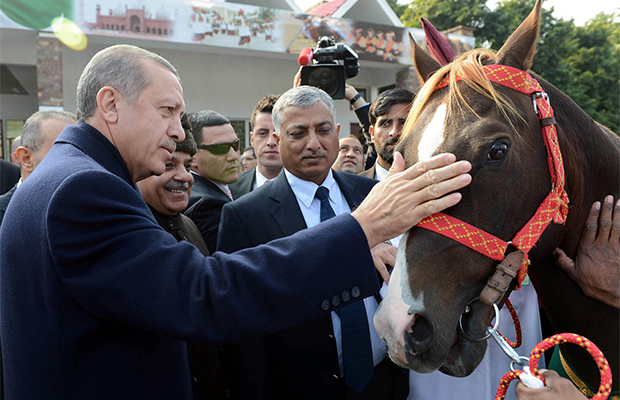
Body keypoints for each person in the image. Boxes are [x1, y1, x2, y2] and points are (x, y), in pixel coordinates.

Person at [0, 44, 472, 400]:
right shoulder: (84, 189)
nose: (177, 131)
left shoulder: (63, 177)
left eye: (180, 116)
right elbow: (204, 295)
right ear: (110, 104)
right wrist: (361, 228)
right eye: (167, 111)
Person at [217, 86, 409, 399]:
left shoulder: (370, 193)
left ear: (335, 132)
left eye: (322, 131)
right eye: (298, 133)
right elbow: (242, 323)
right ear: (277, 140)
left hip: (384, 379)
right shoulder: (245, 215)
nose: (313, 144)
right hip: (301, 387)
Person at [136, 114, 230, 399]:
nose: (184, 176)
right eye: (168, 166)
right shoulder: (134, 233)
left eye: (188, 166)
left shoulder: (188, 223)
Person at [0, 110, 77, 225]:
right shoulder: (4, 215)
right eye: (65, 153)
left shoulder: (90, 212)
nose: (78, 163)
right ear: (26, 159)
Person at [184, 110, 240, 252]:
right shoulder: (209, 206)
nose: (233, 156)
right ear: (193, 156)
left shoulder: (192, 191)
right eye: (220, 148)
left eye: (235, 145)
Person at [229, 94, 282, 199]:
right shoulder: (231, 188)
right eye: (263, 133)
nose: (271, 142)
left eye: (278, 133)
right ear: (252, 139)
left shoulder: (309, 186)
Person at [360, 89, 415, 181]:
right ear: (372, 134)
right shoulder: (348, 190)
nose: (394, 133)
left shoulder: (439, 186)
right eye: (385, 124)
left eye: (404, 124)